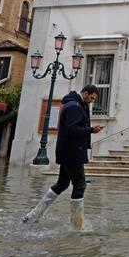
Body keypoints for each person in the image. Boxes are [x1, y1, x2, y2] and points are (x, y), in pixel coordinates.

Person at [22, 84, 103, 228]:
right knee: (80, 185)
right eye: (91, 97)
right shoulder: (74, 106)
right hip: (72, 152)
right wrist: (91, 130)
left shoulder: (75, 104)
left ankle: (33, 216)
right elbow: (72, 130)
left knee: (62, 184)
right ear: (85, 93)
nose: (91, 101)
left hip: (69, 151)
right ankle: (77, 225)